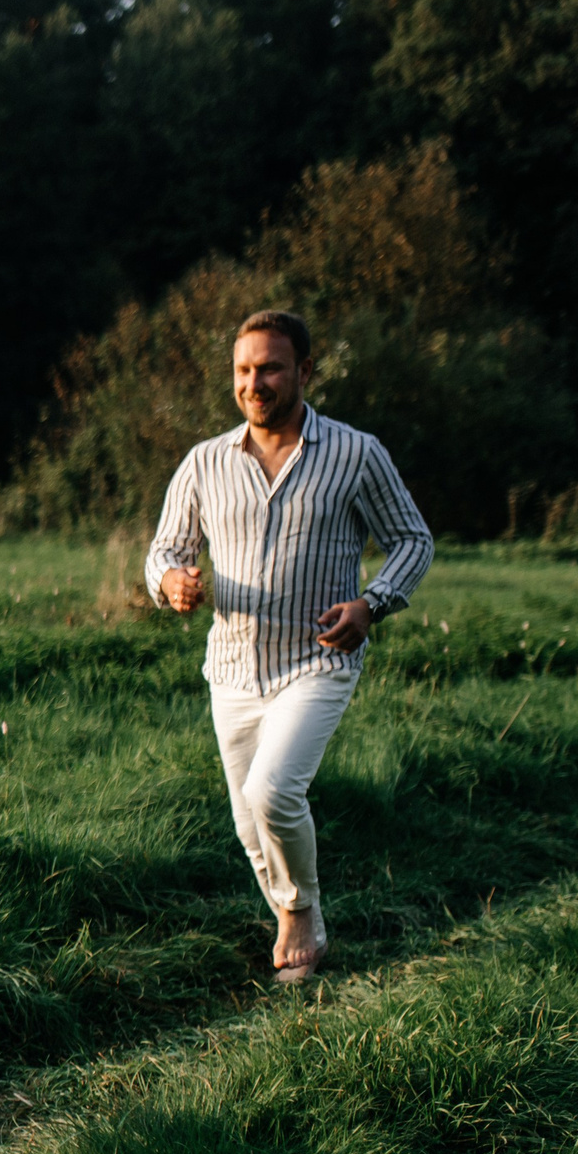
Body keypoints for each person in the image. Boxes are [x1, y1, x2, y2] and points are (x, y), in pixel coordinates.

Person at [146, 309, 434, 983]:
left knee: (274, 790)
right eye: (244, 370)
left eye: (271, 368)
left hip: (317, 659)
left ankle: (301, 914)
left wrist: (372, 604)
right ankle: (294, 912)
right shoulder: (205, 462)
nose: (255, 383)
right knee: (250, 822)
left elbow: (413, 540)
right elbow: (165, 550)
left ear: (304, 370)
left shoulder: (355, 453)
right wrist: (171, 582)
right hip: (232, 666)